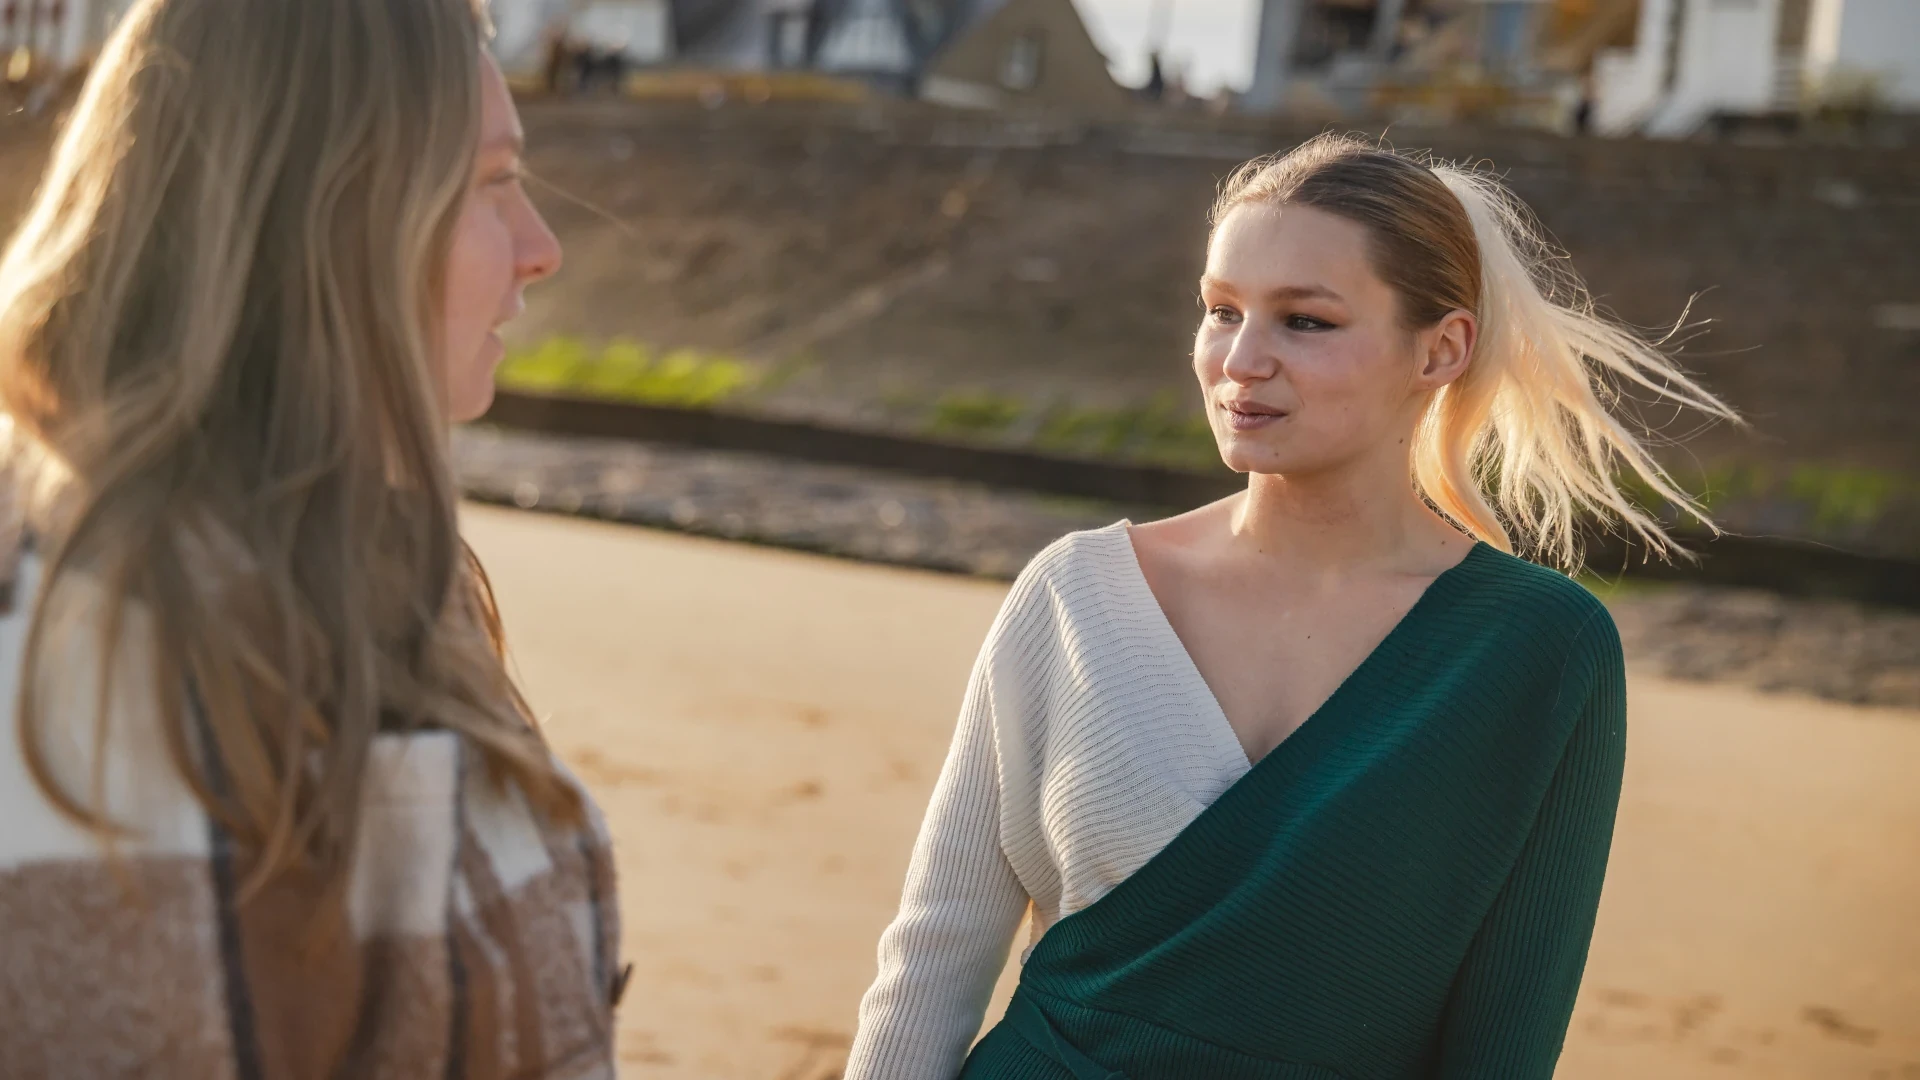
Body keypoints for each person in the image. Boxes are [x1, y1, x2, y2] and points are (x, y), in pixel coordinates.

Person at [846, 133, 1739, 1079]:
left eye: (1304, 321)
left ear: (1441, 348)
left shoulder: (1539, 651)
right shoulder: (1075, 595)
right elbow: (935, 957)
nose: (1240, 361)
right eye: (1220, 311)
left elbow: (1505, 1041)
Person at [0, 0, 625, 1076]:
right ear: (329, 224)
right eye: (492, 183)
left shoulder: (378, 574)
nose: (542, 249)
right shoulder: (104, 648)